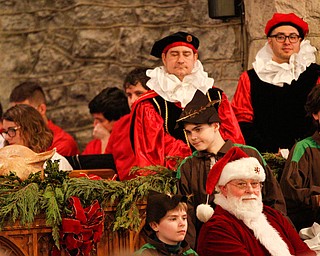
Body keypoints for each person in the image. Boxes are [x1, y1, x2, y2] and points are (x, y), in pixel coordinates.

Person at [176, 90, 286, 249]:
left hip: (253, 239)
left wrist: (278, 241)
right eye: (188, 132)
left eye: (198, 129)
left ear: (215, 126)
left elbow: (274, 200)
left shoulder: (249, 154)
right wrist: (190, 252)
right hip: (210, 243)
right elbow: (188, 216)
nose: (193, 137)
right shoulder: (188, 166)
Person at [130, 31, 244, 169]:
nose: (180, 60)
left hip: (218, 171)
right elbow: (151, 153)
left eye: (186, 54)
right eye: (174, 54)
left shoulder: (216, 97)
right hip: (171, 179)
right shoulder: (150, 104)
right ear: (164, 58)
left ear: (195, 58)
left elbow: (233, 139)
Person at [196, 147, 315, 256]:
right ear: (223, 189)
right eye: (241, 184)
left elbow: (304, 251)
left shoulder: (273, 215)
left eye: (255, 184)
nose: (250, 190)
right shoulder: (216, 229)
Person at [232, 13, 320, 153]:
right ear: (269, 41)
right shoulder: (249, 78)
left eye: (293, 37)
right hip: (264, 157)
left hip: (310, 154)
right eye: (280, 37)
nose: (287, 42)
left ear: (300, 41)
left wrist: (302, 149)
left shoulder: (316, 74)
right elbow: (242, 120)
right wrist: (269, 150)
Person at [280, 84, 320, 232]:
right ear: (316, 114)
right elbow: (289, 191)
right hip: (310, 231)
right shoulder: (304, 148)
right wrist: (316, 198)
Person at [9, 81, 79, 156]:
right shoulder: (13, 138)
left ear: (41, 109)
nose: (16, 120)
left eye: (23, 114)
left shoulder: (61, 143)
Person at [105, 67, 149, 180]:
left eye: (139, 93)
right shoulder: (120, 125)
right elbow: (107, 165)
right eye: (129, 95)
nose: (133, 100)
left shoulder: (165, 123)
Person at [2, 104, 73, 171]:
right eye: (5, 131)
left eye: (12, 130)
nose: (7, 137)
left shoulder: (56, 163)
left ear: (30, 130)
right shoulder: (4, 165)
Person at [134, 190, 198, 256]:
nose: (182, 224)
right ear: (154, 225)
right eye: (173, 219)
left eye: (184, 218)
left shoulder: (191, 254)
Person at [82, 87, 130, 155]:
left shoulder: (130, 144)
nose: (95, 125)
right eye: (94, 119)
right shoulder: (93, 145)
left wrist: (106, 139)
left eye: (101, 121)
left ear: (119, 120)